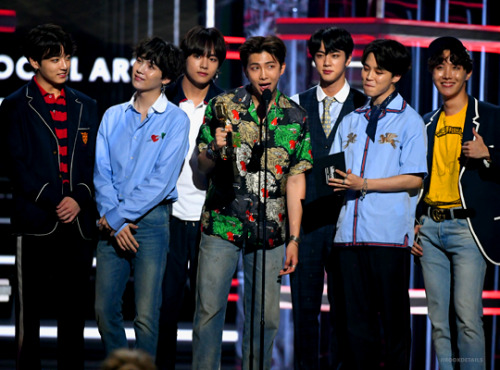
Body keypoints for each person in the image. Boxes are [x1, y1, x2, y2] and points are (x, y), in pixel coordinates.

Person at [192, 35, 313, 369]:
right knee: (208, 312)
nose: (263, 75)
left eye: (270, 67)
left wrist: (294, 238)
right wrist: (214, 149)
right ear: (245, 69)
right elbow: (201, 164)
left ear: (282, 68)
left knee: (266, 319)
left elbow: (296, 178)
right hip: (222, 223)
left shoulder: (296, 117)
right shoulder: (224, 106)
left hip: (271, 231)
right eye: (255, 67)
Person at [0, 23, 98, 369]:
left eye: (66, 56)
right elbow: (16, 164)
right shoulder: (14, 105)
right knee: (31, 318)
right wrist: (56, 199)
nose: (63, 64)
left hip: (78, 225)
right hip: (36, 221)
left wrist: (79, 198)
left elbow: (93, 164)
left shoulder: (86, 105)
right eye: (53, 58)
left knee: (73, 317)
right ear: (33, 62)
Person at [328, 39, 427, 369]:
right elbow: (336, 173)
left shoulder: (409, 121)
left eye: (378, 71)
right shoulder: (352, 119)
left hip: (387, 237)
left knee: (393, 326)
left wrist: (365, 184)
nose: (368, 77)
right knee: (354, 327)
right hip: (347, 237)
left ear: (396, 76)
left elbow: (414, 178)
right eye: (366, 69)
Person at [93, 37, 189, 359]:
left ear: (164, 78)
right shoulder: (112, 116)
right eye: (140, 60)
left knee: (147, 316)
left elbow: (161, 181)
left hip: (151, 222)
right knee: (105, 310)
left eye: (151, 65)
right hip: (111, 220)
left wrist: (120, 218)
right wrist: (115, 219)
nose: (140, 68)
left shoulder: (176, 120)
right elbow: (101, 173)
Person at [411, 36, 500, 370]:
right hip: (431, 228)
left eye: (455, 65)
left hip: (468, 230)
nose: (446, 73)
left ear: (468, 72)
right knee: (438, 322)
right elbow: (418, 180)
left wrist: (488, 153)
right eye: (439, 65)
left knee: (467, 318)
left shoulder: (489, 117)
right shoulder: (425, 123)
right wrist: (415, 222)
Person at [289, 27, 365, 369]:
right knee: (304, 314)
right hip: (305, 223)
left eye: (334, 55)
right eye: (320, 55)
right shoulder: (296, 104)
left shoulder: (366, 105)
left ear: (348, 59)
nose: (326, 62)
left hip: (351, 221)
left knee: (347, 313)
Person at [156, 26, 226, 370]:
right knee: (162, 308)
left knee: (208, 310)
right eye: (198, 55)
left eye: (212, 58)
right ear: (185, 57)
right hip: (165, 217)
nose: (204, 64)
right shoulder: (160, 99)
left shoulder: (229, 107)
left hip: (211, 220)